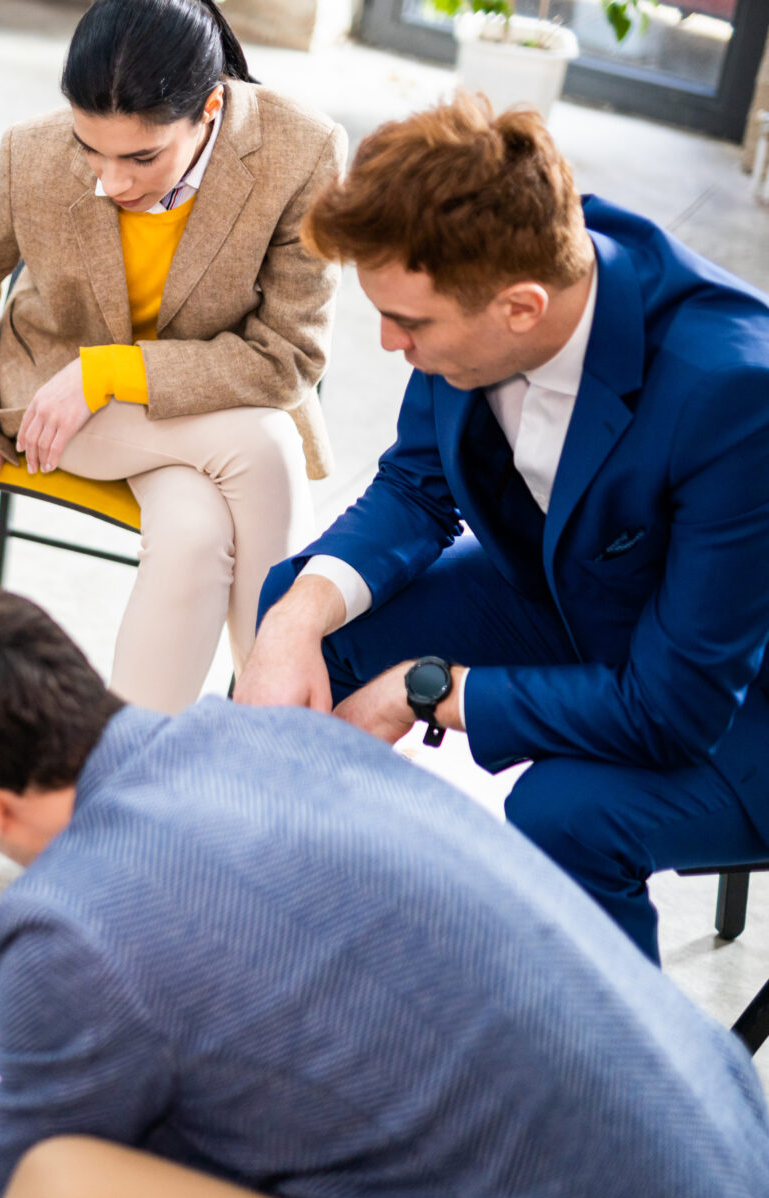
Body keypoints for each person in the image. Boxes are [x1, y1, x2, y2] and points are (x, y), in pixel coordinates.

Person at [0, 588, 769, 1198]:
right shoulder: (283, 737)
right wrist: (34, 1097)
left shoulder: (66, 914)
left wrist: (28, 1131)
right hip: (730, 1161)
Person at [237, 96, 769, 964]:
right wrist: (295, 617)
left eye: (409, 324)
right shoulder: (490, 269)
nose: (385, 342)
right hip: (578, 595)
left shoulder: (736, 395)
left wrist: (430, 687)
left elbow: (671, 711)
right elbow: (417, 485)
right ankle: (289, 931)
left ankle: (605, 1079)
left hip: (740, 700)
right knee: (302, 606)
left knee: (567, 814)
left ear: (521, 309)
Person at [0, 0, 344, 712]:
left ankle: (130, 773)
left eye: (142, 156)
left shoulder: (300, 152)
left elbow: (289, 359)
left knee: (194, 530)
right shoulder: (34, 151)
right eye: (92, 149)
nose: (112, 182)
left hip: (207, 400)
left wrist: (115, 372)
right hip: (56, 404)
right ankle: (277, 734)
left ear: (212, 106)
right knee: (266, 443)